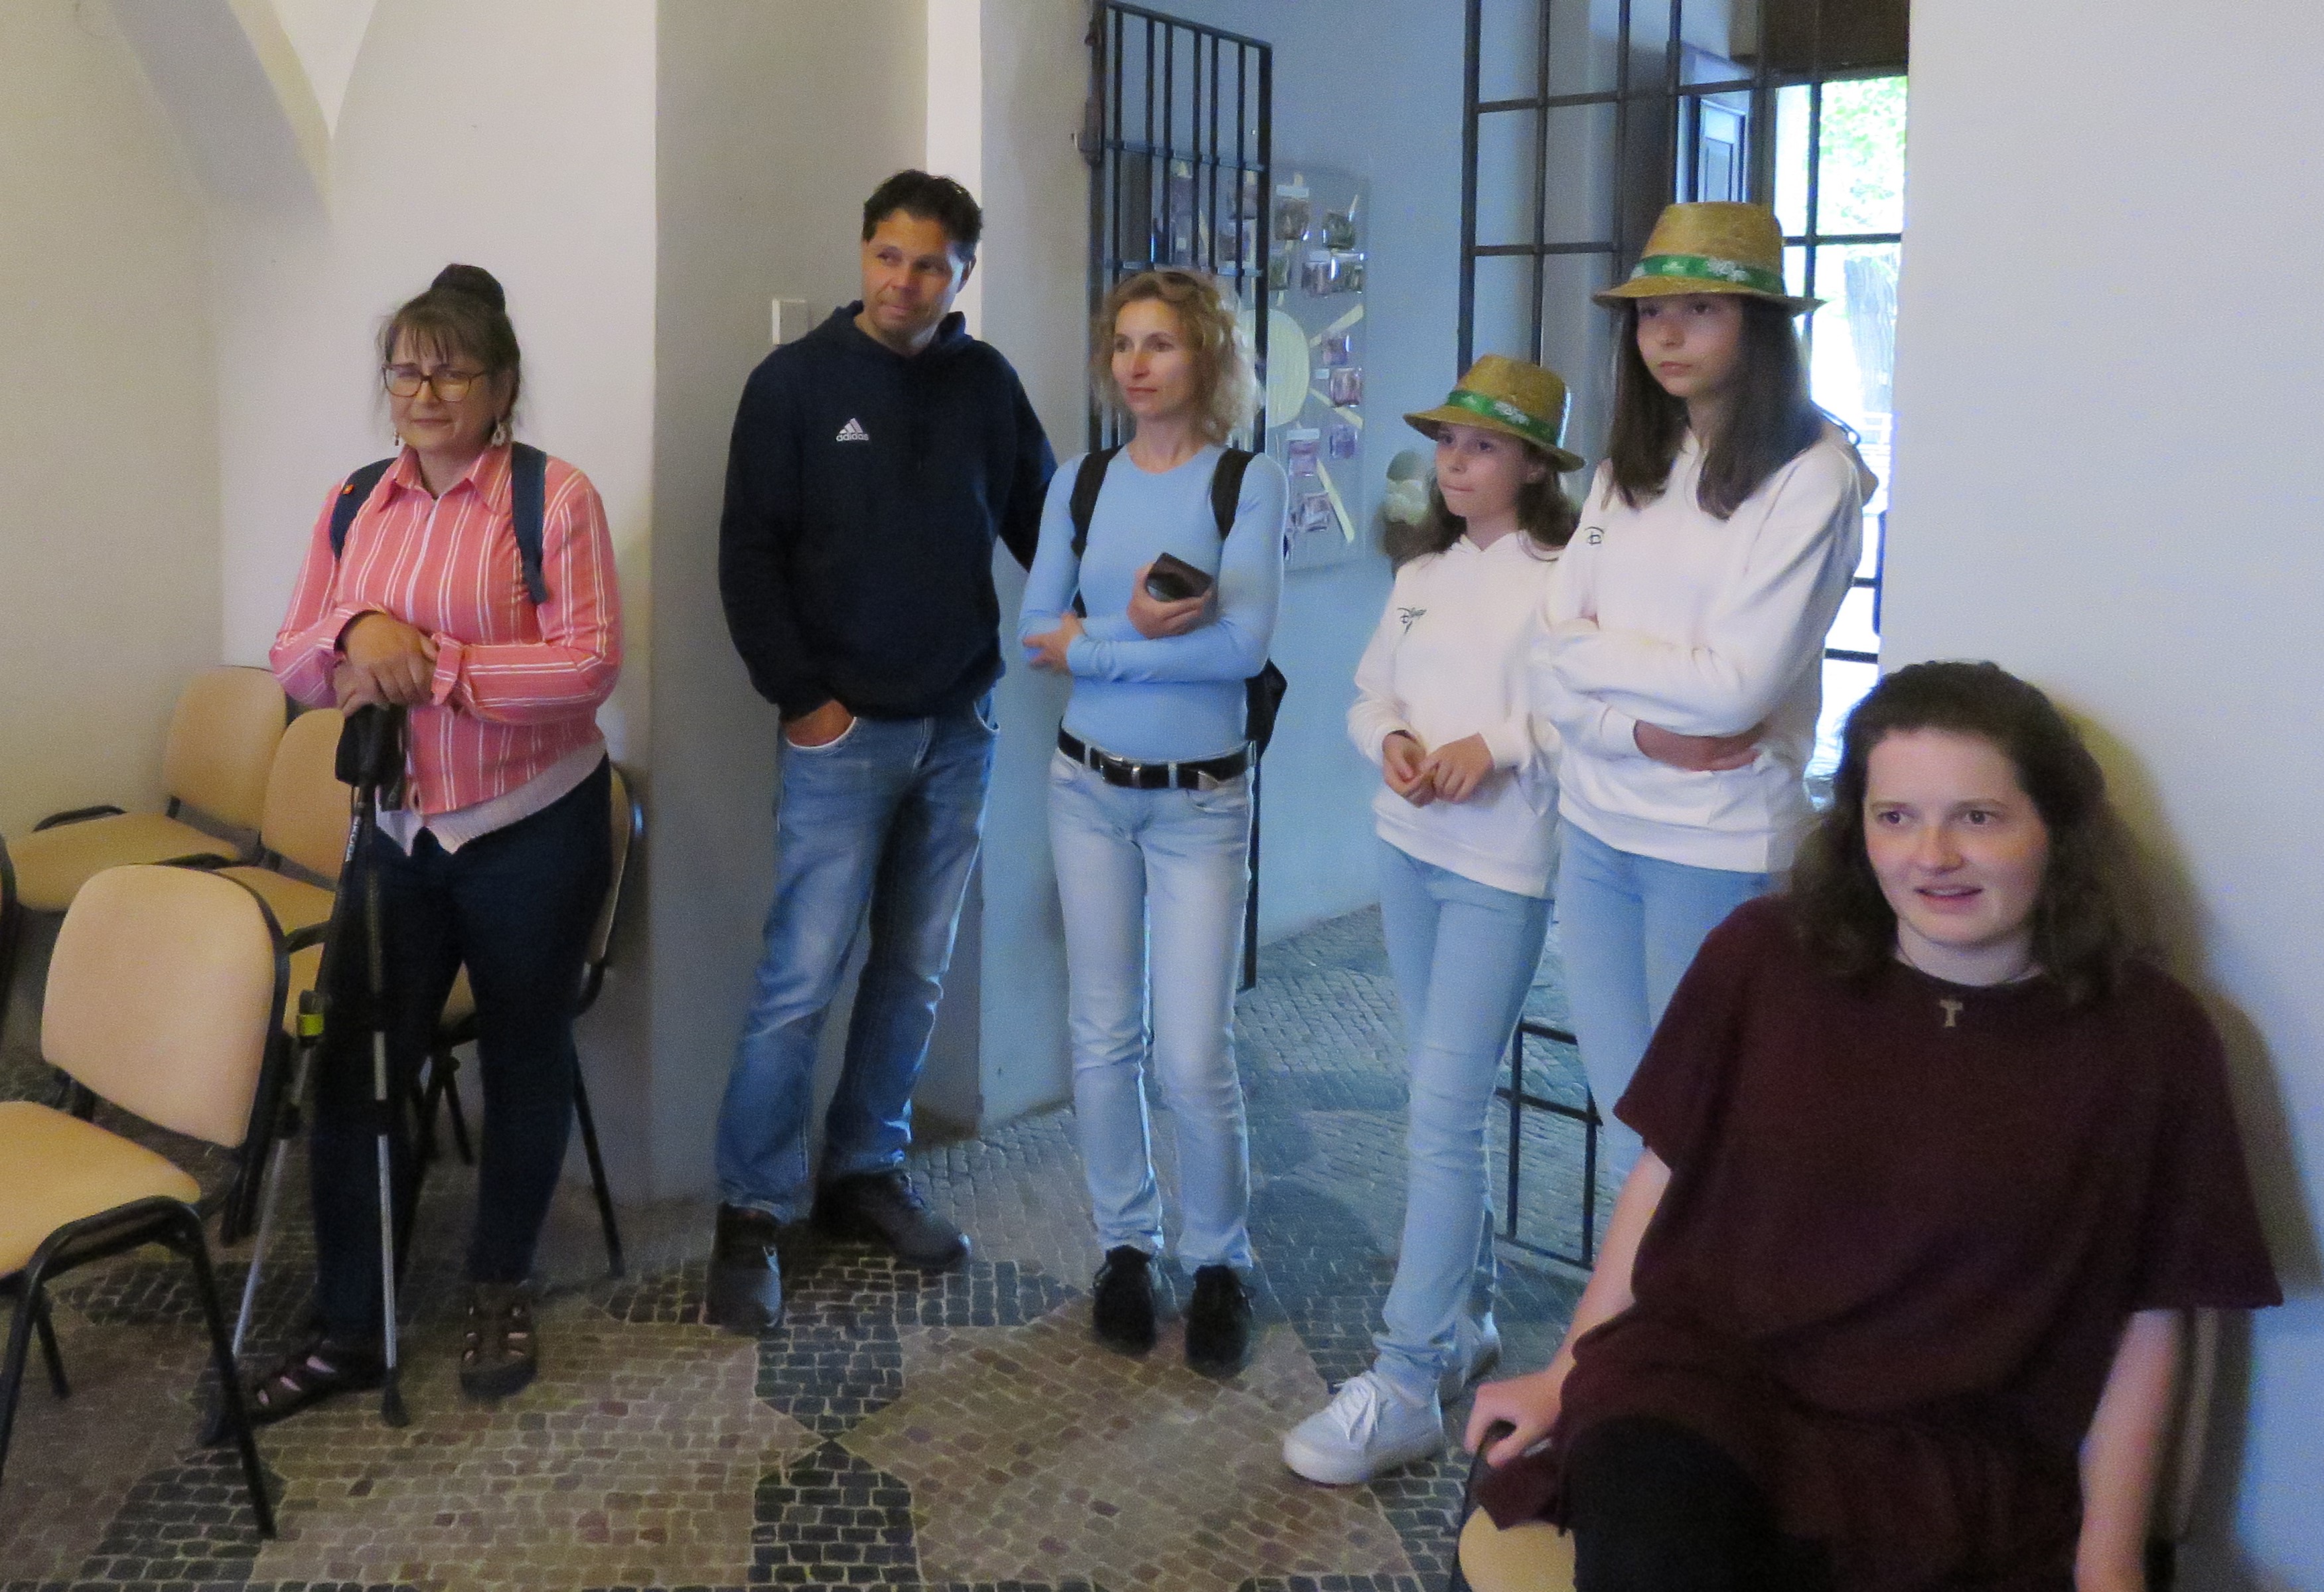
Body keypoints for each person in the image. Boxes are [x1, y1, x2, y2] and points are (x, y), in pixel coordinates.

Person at [1464, 660, 2282, 1592]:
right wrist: (1566, 1372)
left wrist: (2108, 1563)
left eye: (1978, 818)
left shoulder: (2150, 1039)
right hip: (1711, 1393)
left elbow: (2149, 1313)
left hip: (1959, 1455)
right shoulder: (1762, 957)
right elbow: (1663, 1174)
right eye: (1894, 817)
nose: (1931, 855)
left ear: (2055, 828)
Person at [257, 264, 622, 1415]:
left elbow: (588, 665)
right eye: (406, 370)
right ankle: (353, 1320)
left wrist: (436, 666)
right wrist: (356, 630)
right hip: (396, 830)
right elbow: (292, 655)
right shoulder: (354, 501)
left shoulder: (553, 499)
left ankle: (499, 1282)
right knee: (355, 1064)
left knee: (523, 1057)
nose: (424, 391)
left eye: (452, 371)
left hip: (532, 827)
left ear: (501, 385)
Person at [711, 170, 1055, 1331]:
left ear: (963, 274)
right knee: (799, 979)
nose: (903, 282)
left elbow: (1047, 525)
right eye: (887, 257)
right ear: (862, 254)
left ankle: (863, 1169)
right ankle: (752, 1210)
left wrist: (1133, 595)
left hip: (958, 726)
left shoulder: (986, 384)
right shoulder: (794, 385)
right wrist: (803, 700)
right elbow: (747, 554)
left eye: (930, 265)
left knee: (913, 970)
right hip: (840, 733)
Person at [1280, 356, 1579, 1482]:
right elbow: (1371, 695)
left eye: (1482, 446)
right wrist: (1396, 743)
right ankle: (1468, 1316)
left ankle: (1405, 1378)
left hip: (1500, 867)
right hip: (1408, 852)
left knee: (1442, 1112)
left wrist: (1488, 747)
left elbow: (1576, 714)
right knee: (1439, 1096)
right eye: (1448, 442)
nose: (1455, 463)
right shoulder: (1421, 573)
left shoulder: (1562, 579)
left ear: (1535, 465)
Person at [1542, 200, 1876, 1181]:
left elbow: (1733, 691)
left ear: (1759, 328)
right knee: (1625, 1128)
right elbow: (1545, 650)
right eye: (1652, 313)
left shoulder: (1814, 476)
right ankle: (1636, 1287)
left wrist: (1587, 656)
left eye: (1701, 310)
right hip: (1594, 825)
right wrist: (1639, 732)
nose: (1668, 334)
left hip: (1714, 843)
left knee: (1706, 1141)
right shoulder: (1627, 470)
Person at [1017, 268, 1285, 1377]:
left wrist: (1101, 643)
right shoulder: (1080, 482)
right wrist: (1118, 635)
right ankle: (1124, 1247)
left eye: (1161, 343)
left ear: (1205, 358)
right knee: (1100, 1035)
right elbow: (1034, 628)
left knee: (1191, 1052)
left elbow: (1241, 649)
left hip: (1200, 803)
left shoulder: (1246, 482)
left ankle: (1218, 1258)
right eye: (1123, 343)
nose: (1136, 363)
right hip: (1085, 788)